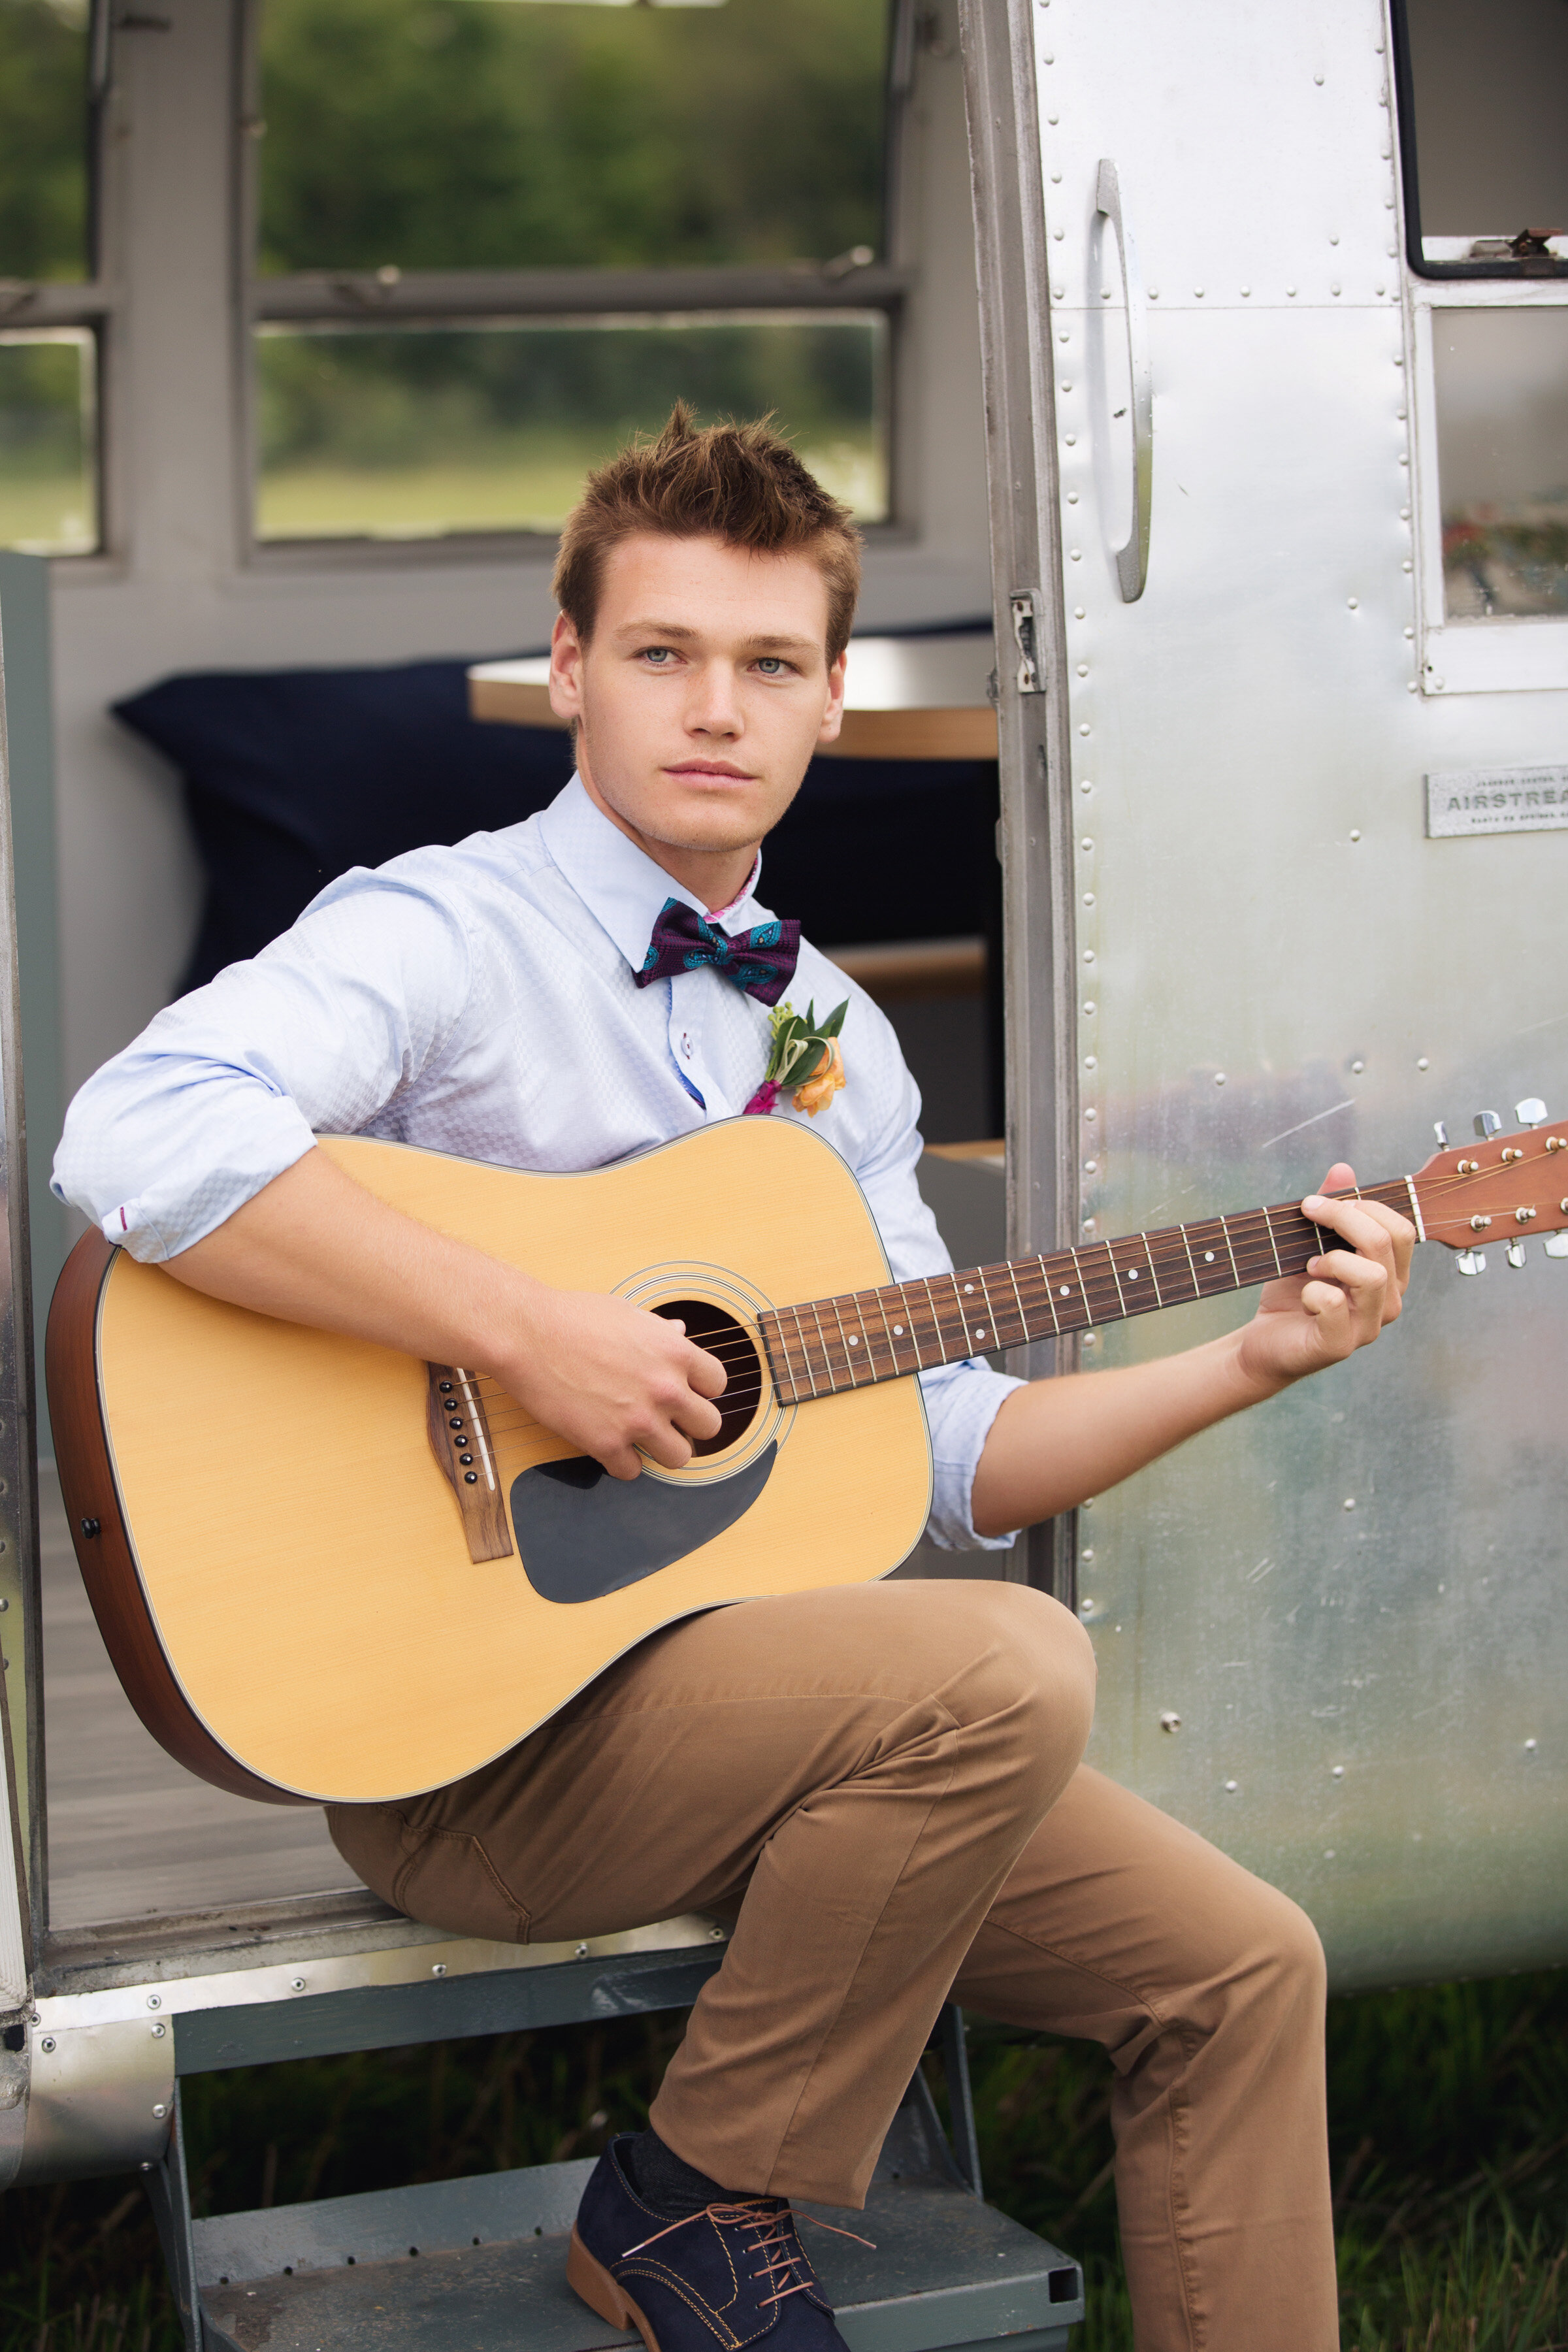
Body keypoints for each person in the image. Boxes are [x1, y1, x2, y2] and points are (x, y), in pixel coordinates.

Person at [54, 407, 1411, 2352]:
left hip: (761, 1716)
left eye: (770, 663)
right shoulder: (445, 932)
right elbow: (142, 1126)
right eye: (665, 653)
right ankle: (701, 2194)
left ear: (835, 699)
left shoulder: (834, 1044)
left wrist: (1255, 1358)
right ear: (567, 668)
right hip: (467, 1744)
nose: (718, 705)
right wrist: (526, 1331)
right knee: (1007, 1667)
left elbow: (960, 1458)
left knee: (1241, 1965)